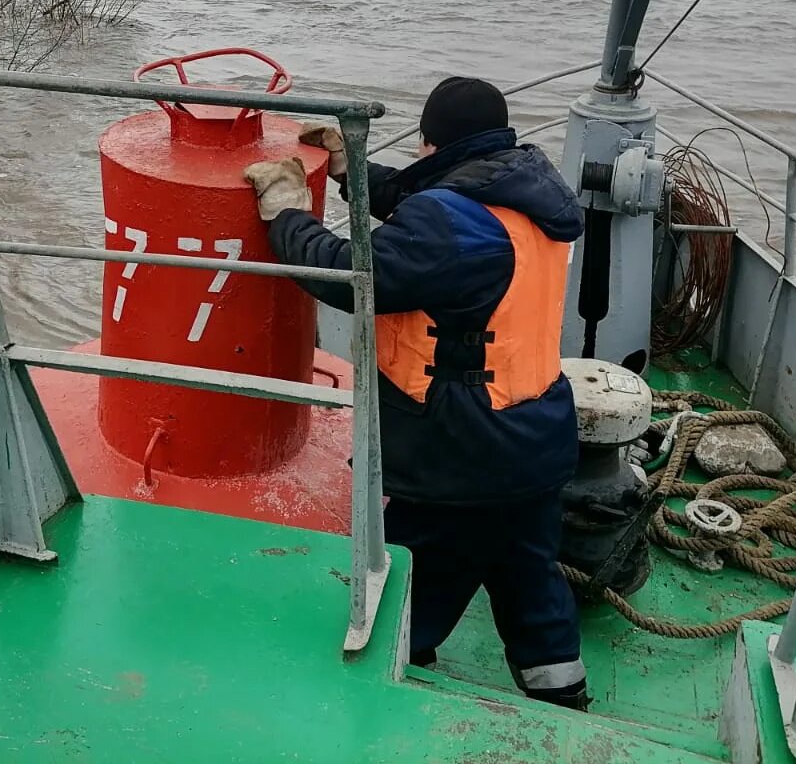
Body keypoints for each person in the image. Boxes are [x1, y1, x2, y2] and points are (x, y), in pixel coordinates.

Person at [243, 76, 588, 711]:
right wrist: (352, 169)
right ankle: (565, 707)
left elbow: (349, 274)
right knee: (531, 585)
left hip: (460, 457)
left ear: (431, 143)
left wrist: (286, 212)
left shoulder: (451, 222)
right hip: (535, 439)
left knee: (408, 577)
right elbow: (432, 205)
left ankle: (387, 695)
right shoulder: (528, 188)